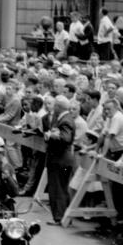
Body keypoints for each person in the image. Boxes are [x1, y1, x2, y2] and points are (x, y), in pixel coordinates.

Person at [44, 95, 76, 225]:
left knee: (58, 189)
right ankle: (63, 217)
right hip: (60, 159)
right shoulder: (64, 118)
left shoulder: (65, 120)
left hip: (60, 159)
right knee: (61, 188)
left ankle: (60, 217)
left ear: (58, 107)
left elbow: (65, 138)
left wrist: (51, 135)